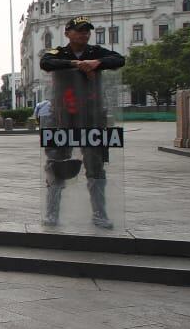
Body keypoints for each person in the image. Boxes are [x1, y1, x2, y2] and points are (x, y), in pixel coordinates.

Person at [39, 16, 126, 228]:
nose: (84, 34)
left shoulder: (96, 52)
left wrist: (98, 63)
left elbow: (119, 59)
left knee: (96, 167)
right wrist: (76, 64)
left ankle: (100, 214)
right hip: (62, 117)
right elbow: (45, 62)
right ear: (68, 33)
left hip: (92, 117)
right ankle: (52, 213)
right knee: (56, 165)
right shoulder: (59, 52)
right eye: (79, 30)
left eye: (87, 30)